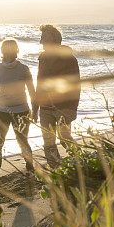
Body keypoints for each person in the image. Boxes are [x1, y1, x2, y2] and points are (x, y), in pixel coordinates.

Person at [0, 38, 37, 185]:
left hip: (21, 112)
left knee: (23, 142)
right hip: (1, 112)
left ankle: (30, 171)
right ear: (2, 51)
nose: (9, 52)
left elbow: (32, 92)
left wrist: (36, 112)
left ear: (16, 51)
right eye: (6, 49)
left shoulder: (24, 69)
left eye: (12, 49)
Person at [35, 24, 81, 167]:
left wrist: (72, 108)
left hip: (63, 107)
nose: (41, 42)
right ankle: (56, 171)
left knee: (64, 139)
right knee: (48, 143)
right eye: (41, 38)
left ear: (54, 40)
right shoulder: (42, 58)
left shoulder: (69, 58)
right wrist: (35, 107)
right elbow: (39, 83)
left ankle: (82, 163)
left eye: (44, 38)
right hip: (45, 107)